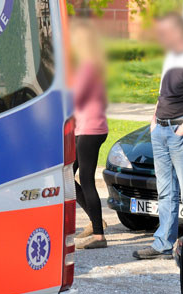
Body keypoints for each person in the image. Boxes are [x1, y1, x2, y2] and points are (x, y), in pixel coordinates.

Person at [133, 12, 183, 260]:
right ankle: (163, 243)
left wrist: (182, 130)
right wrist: (154, 121)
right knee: (165, 191)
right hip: (161, 131)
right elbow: (162, 94)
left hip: (180, 133)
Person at [71, 21, 109, 250]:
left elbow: (74, 99)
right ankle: (97, 222)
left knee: (85, 179)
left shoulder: (87, 66)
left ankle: (99, 236)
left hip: (89, 129)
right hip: (90, 127)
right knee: (68, 176)